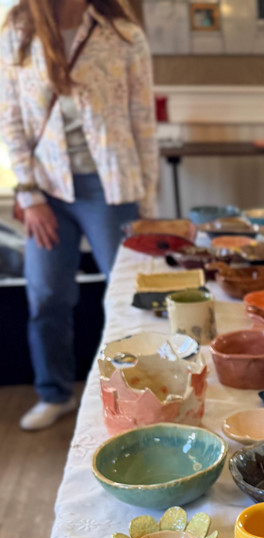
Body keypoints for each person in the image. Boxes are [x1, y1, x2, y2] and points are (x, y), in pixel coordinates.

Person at [0, 0, 158, 430]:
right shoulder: (19, 29)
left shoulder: (122, 33)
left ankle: (138, 395)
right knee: (46, 294)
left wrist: (148, 205)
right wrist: (29, 195)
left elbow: (143, 121)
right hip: (47, 190)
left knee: (129, 297)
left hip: (113, 187)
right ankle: (54, 392)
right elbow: (10, 117)